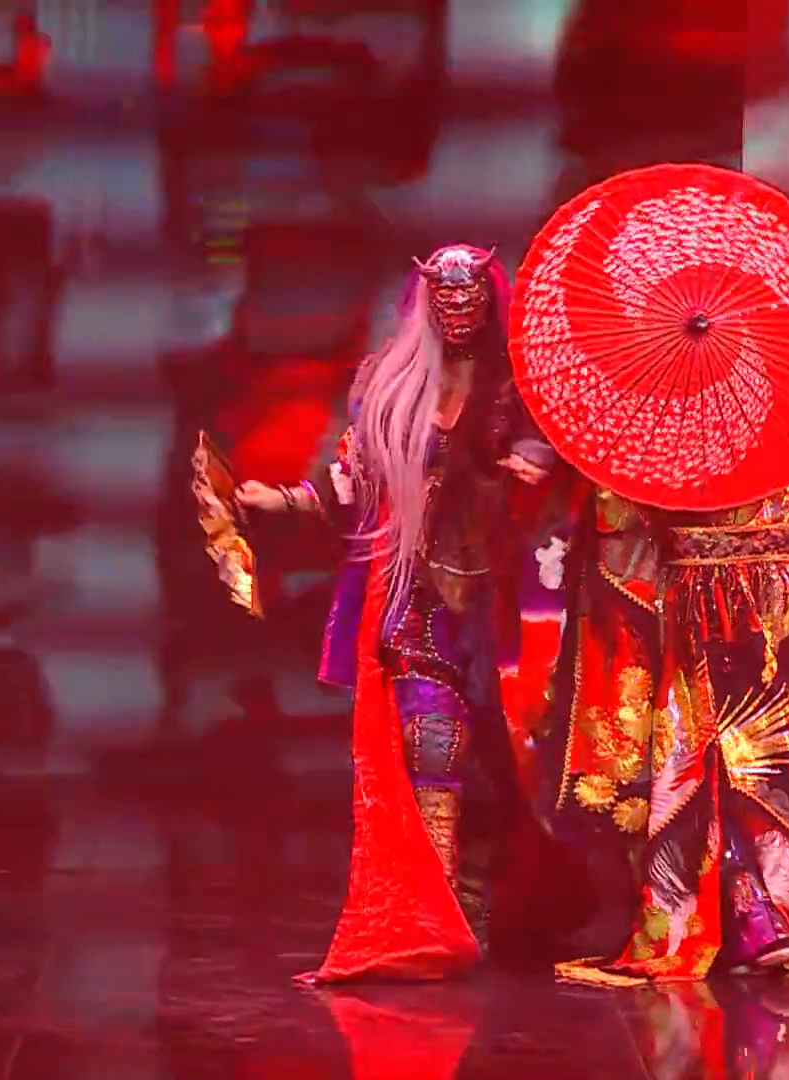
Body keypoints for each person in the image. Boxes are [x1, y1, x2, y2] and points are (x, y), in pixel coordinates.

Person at [233, 244, 563, 981]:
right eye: (445, 296)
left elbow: (552, 464)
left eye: (470, 296)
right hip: (420, 598)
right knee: (432, 751)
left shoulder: (521, 389)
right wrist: (282, 500)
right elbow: (351, 481)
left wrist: (535, 467)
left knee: (507, 770)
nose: (458, 309)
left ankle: (488, 910)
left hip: (506, 606)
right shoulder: (390, 387)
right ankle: (436, 924)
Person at [549, 474, 789, 985]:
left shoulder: (684, 443)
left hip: (705, 597)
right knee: (769, 764)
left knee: (711, 761)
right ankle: (777, 917)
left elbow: (626, 524)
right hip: (781, 593)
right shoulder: (788, 445)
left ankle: (751, 914)